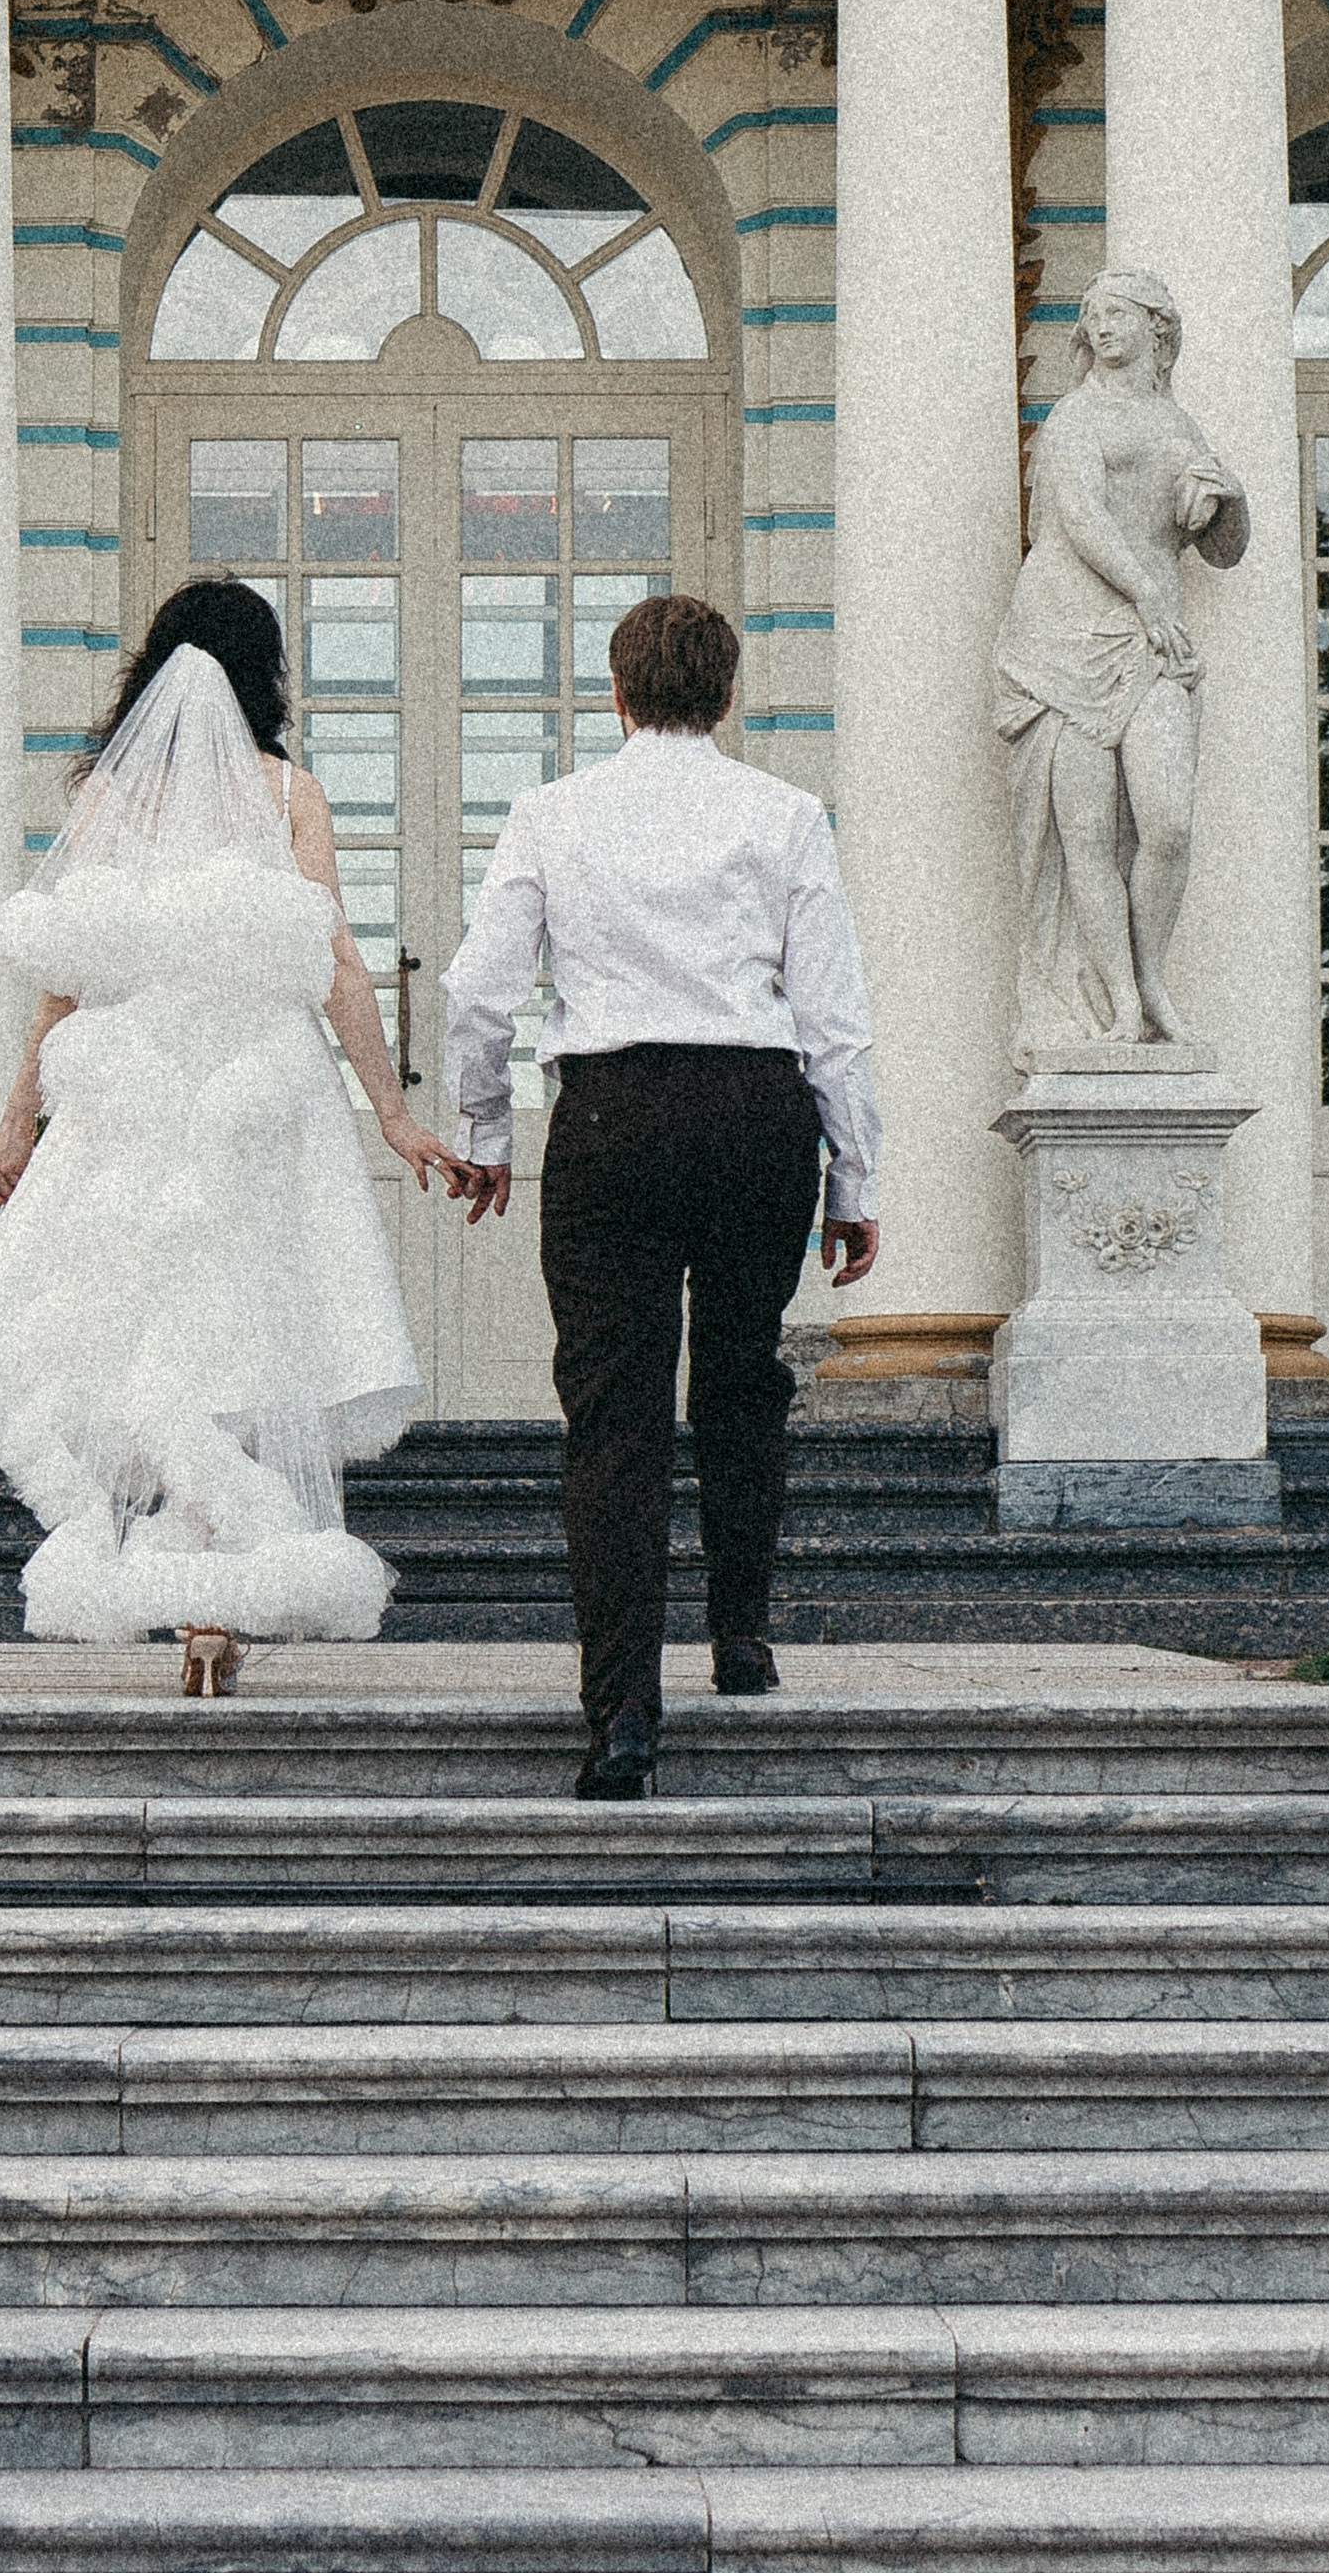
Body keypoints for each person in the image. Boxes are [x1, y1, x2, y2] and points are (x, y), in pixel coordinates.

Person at [0, 580, 464, 1686]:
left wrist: (16, 1127)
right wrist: (391, 1113)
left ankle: (183, 1577)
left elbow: (64, 978)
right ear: (266, 676)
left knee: (142, 1339)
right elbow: (335, 964)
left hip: (132, 1099)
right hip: (256, 1101)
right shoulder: (290, 793)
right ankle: (220, 1592)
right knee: (243, 1332)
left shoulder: (114, 797)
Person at [443, 593, 880, 1800]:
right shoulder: (786, 816)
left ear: (617, 695)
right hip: (754, 1111)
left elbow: (477, 993)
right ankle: (740, 1637)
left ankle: (624, 1712)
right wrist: (853, 1175)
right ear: (728, 696)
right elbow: (832, 1015)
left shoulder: (550, 813)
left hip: (612, 1113)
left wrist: (486, 1133)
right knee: (743, 1379)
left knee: (612, 1414)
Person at [994, 266, 1249, 1056]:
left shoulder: (1179, 424)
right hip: (1064, 635)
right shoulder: (1077, 415)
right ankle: (1123, 1006)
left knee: (1167, 821)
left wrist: (1232, 500)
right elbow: (1080, 518)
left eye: (1117, 313)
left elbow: (1223, 551)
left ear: (1156, 327)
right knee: (1087, 836)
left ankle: (1151, 976)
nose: (1101, 325)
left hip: (1151, 640)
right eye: (1092, 315)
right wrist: (1146, 596)